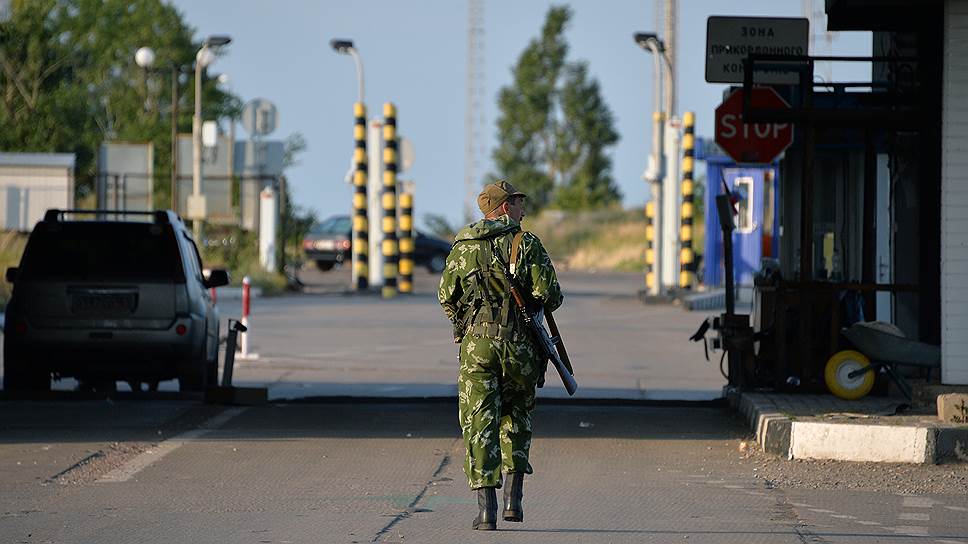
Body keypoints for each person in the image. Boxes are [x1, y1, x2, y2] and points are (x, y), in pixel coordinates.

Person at [438, 180, 563, 531]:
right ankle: (514, 500)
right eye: (519, 202)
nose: (523, 208)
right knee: (518, 416)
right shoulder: (527, 243)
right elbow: (550, 295)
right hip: (519, 345)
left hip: (477, 347)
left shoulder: (463, 246)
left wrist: (468, 322)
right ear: (505, 207)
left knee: (480, 423)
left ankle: (486, 511)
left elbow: (447, 296)